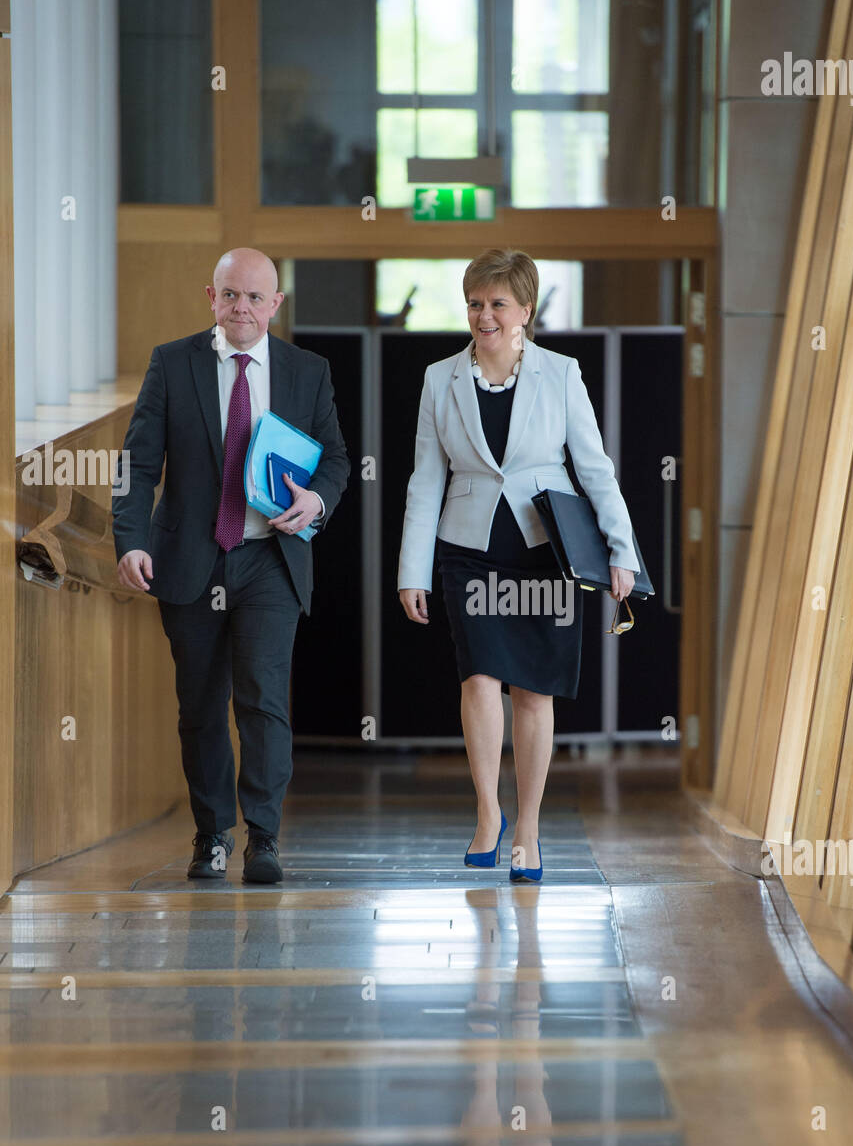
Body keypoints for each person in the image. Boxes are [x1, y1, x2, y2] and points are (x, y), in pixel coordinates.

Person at [397, 248, 637, 882]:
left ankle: (527, 825)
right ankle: (487, 812)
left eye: (498, 303)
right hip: (468, 550)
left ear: (526, 309)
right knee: (478, 678)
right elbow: (425, 481)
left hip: (545, 552)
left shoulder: (561, 374)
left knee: (534, 691)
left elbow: (594, 468)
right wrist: (411, 571)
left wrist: (622, 551)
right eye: (475, 303)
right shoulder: (438, 378)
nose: (485, 315)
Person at [112, 248, 351, 884]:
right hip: (190, 560)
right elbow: (136, 464)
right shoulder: (172, 363)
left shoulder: (308, 371)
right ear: (210, 297)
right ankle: (212, 834)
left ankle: (264, 838)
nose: (241, 307)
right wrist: (130, 541)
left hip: (268, 559)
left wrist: (316, 499)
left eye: (254, 297)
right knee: (200, 706)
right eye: (230, 295)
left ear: (276, 304)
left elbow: (336, 460)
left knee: (264, 702)